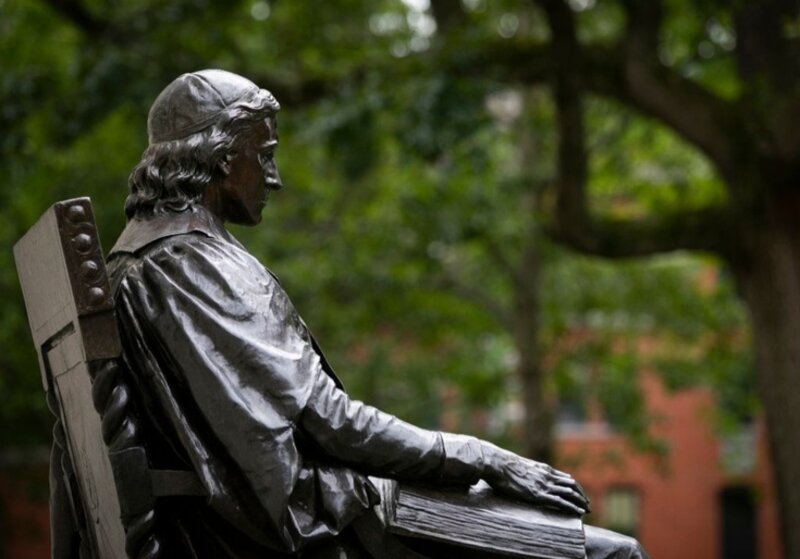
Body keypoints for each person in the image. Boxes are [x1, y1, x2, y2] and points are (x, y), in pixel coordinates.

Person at [107, 69, 647, 558]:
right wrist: (481, 455)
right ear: (225, 158)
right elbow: (331, 423)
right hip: (326, 525)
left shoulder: (141, 260)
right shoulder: (194, 265)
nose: (274, 178)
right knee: (613, 556)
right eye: (264, 155)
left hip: (254, 521)